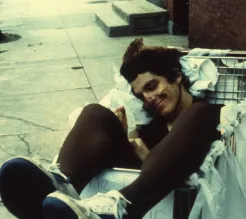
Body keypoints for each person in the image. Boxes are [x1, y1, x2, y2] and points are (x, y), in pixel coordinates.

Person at [0, 38, 222, 219]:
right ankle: (60, 185)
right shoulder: (152, 127)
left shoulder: (205, 117)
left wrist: (145, 154)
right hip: (136, 183)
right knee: (96, 112)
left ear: (176, 76)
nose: (149, 98)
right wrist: (125, 136)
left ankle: (122, 209)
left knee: (200, 111)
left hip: (171, 192)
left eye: (152, 86)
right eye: (141, 96)